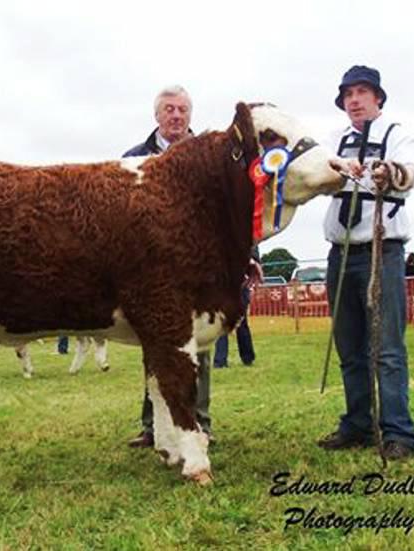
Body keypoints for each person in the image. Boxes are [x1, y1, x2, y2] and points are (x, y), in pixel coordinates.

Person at [318, 65, 414, 460]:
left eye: (362, 92)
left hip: (382, 252)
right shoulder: (335, 139)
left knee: (387, 349)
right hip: (340, 255)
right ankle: (358, 425)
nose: (354, 100)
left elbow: (409, 172)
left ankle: (399, 433)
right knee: (350, 347)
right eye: (348, 94)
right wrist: (339, 168)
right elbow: (319, 166)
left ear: (378, 97)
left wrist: (387, 171)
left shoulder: (398, 134)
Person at [124, 85, 213, 447]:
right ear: (157, 116)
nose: (176, 116)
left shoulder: (211, 157)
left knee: (198, 345)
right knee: (153, 346)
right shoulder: (134, 158)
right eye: (169, 109)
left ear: (190, 115)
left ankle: (199, 423)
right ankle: (154, 427)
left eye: (182, 110)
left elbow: (232, 213)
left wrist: (248, 255)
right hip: (149, 270)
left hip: (199, 267)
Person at [213, 247, 260, 368]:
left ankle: (248, 358)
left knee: (241, 322)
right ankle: (220, 361)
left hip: (240, 283)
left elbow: (254, 258)